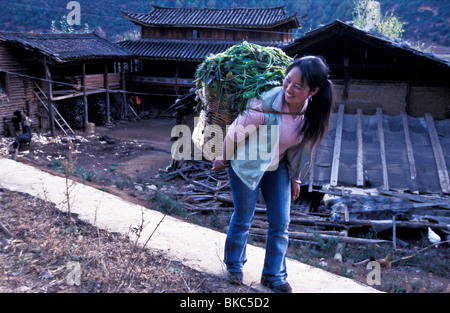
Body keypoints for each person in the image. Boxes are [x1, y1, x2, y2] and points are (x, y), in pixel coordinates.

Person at [211, 56, 335, 293]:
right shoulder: (265, 104)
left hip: (276, 167)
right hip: (247, 166)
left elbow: (301, 149)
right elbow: (235, 134)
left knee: (280, 223)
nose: (289, 88)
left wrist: (296, 178)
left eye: (298, 86)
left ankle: (273, 275)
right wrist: (223, 159)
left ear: (314, 91)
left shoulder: (311, 113)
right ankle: (234, 265)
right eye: (288, 81)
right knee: (243, 217)